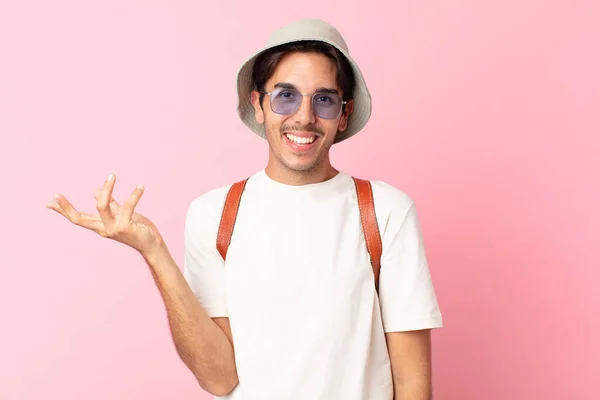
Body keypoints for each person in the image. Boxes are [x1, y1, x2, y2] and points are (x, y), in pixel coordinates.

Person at [46, 18, 443, 400]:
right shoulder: (214, 214)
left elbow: (411, 381)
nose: (304, 117)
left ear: (342, 114)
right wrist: (154, 251)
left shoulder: (385, 211)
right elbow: (218, 378)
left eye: (323, 100)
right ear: (259, 104)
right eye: (285, 95)